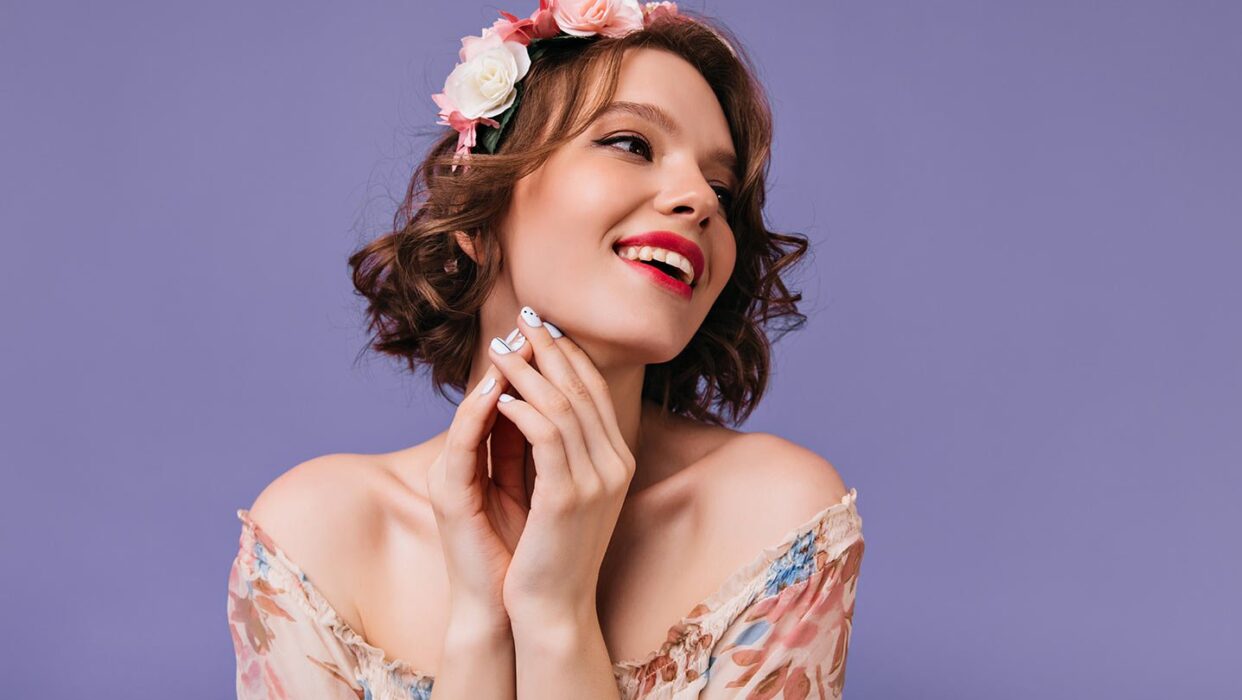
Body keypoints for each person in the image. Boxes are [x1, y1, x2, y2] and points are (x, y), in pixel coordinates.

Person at [226, 2, 866, 697]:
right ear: (477, 211)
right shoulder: (321, 537)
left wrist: (555, 615)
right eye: (631, 144)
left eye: (721, 187)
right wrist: (481, 623)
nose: (699, 200)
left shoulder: (773, 518)